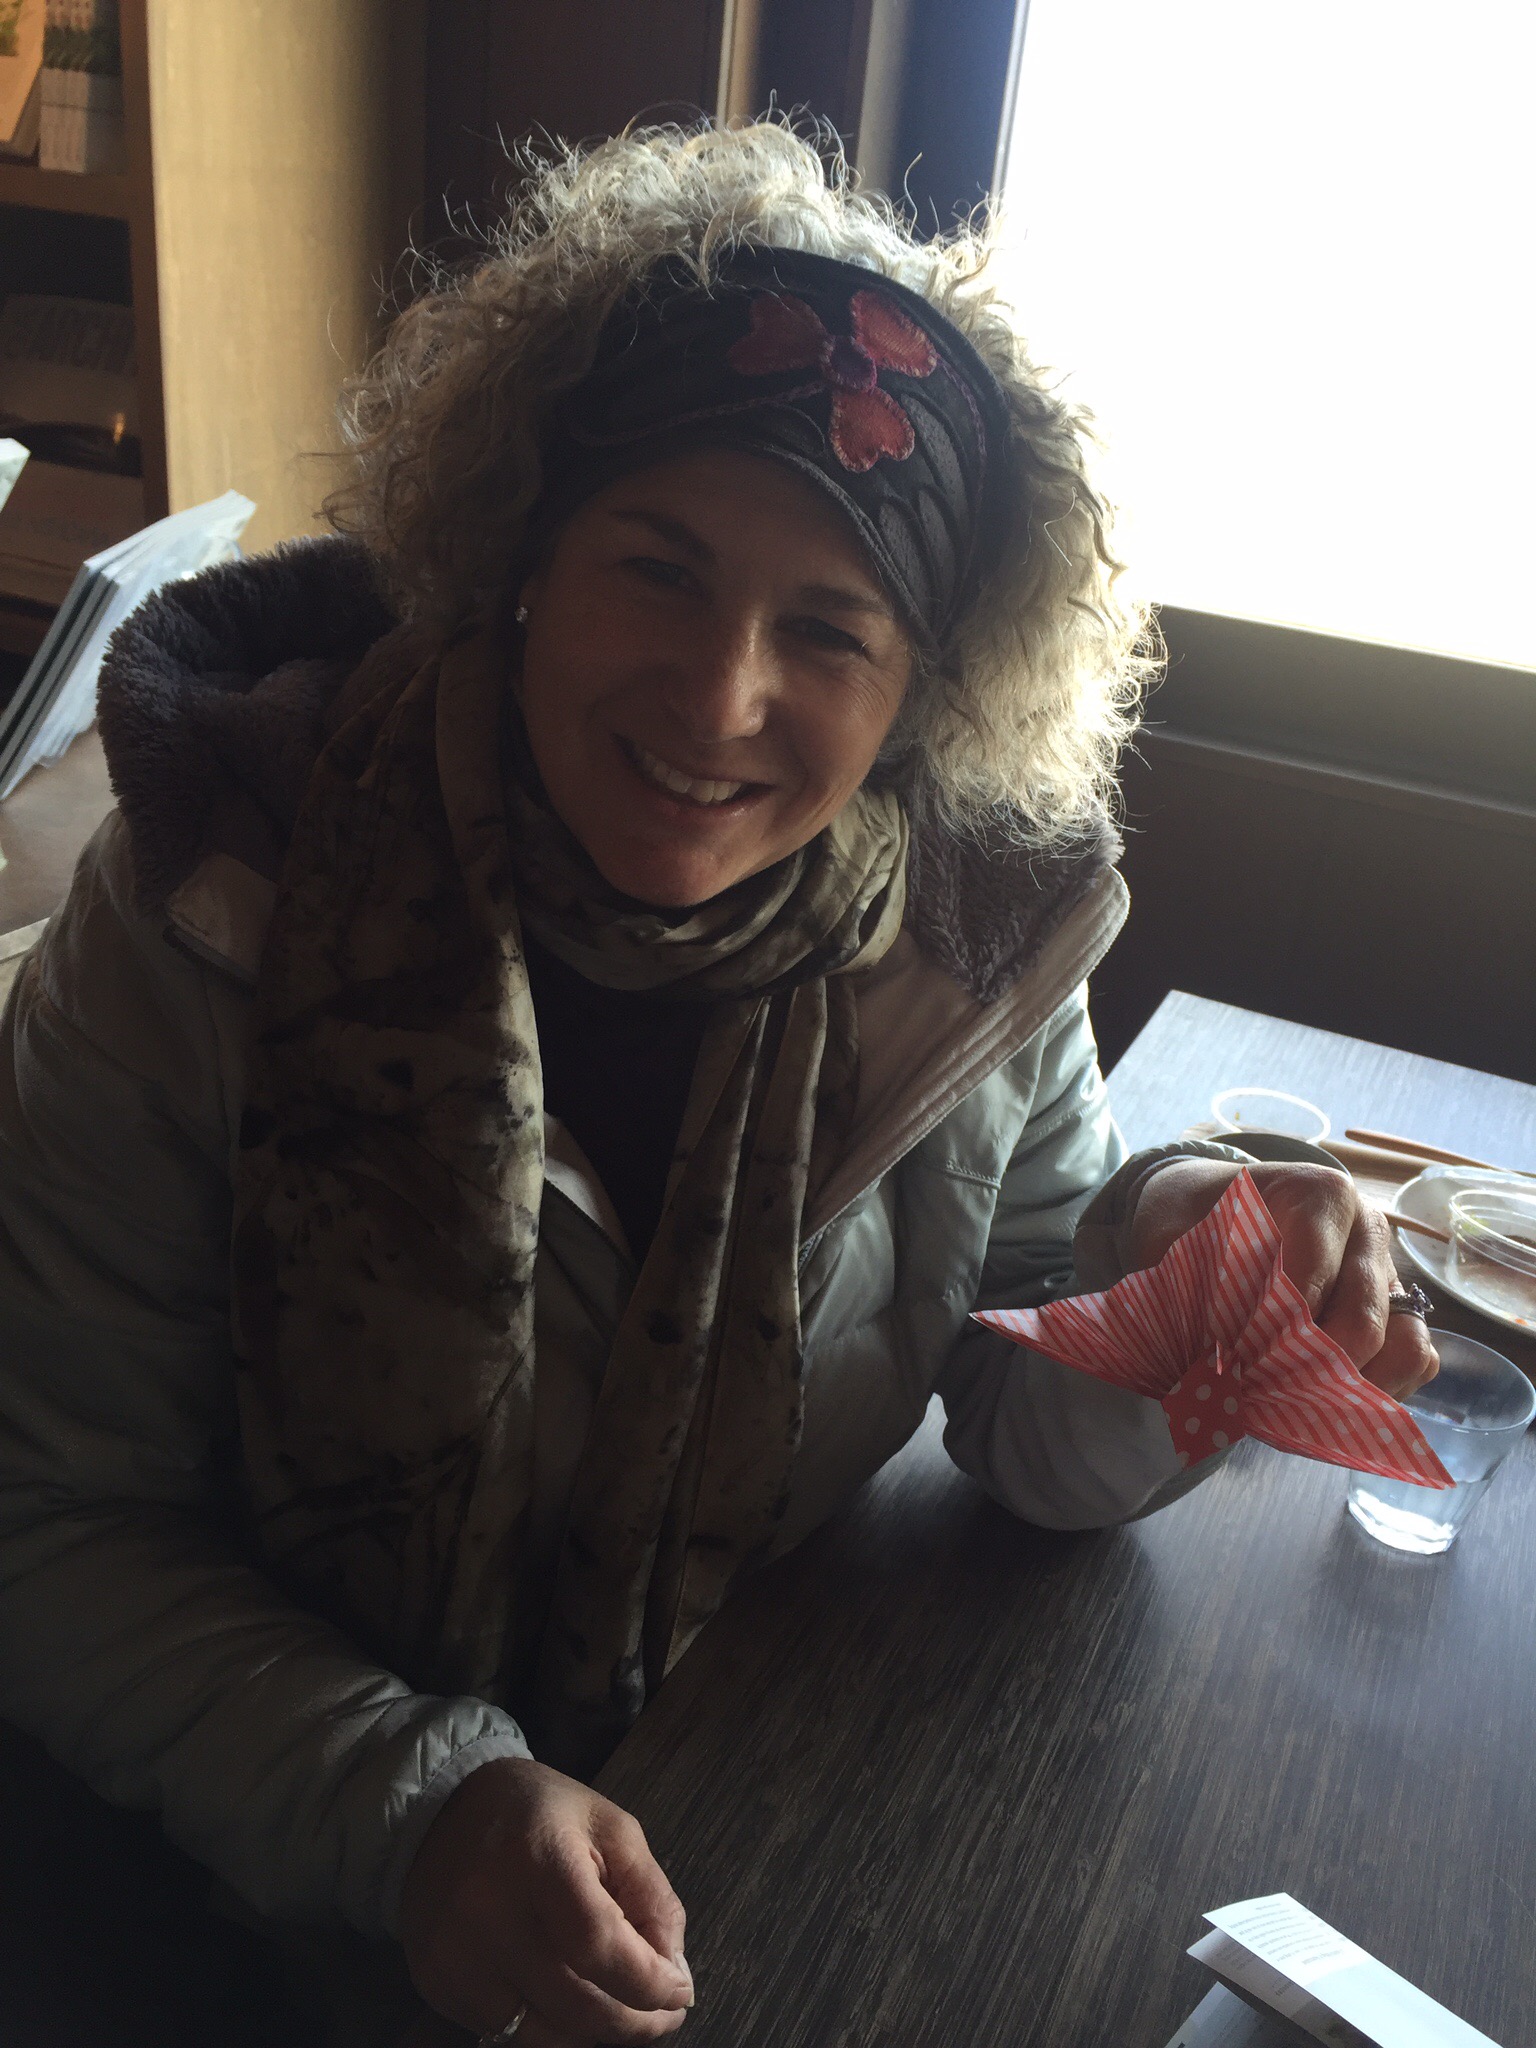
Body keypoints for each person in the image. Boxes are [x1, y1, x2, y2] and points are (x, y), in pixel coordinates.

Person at [0, 120, 1436, 2048]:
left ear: (923, 688)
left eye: (827, 630)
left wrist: (1174, 1286)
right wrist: (410, 1810)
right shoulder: (207, 906)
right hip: (210, 1883)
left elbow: (1028, 1410)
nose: (719, 695)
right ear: (524, 559)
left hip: (709, 1810)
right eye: (657, 571)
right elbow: (47, 1525)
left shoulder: (973, 939)